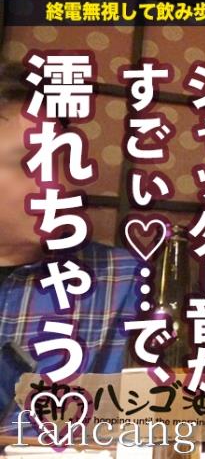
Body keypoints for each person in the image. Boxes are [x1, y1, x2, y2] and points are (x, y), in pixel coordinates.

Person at [0, 61, 141, 437]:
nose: (56, 184)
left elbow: (147, 427)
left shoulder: (121, 279)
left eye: (61, 160)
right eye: (28, 163)